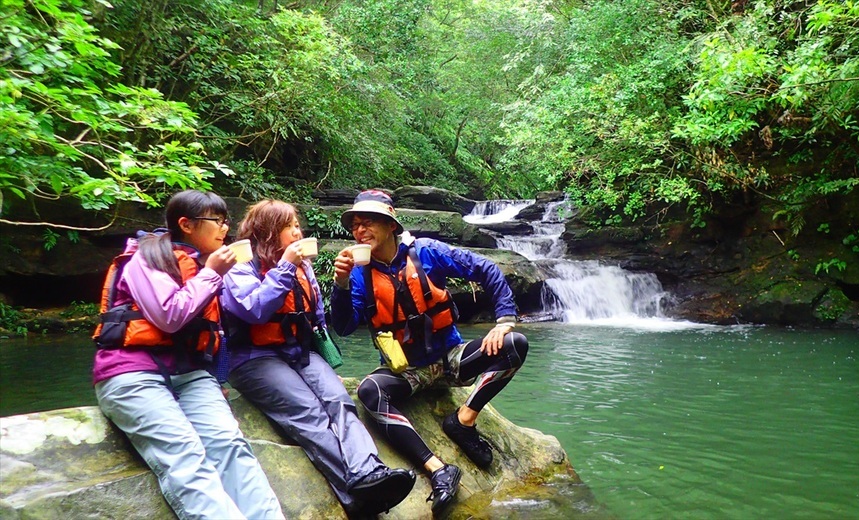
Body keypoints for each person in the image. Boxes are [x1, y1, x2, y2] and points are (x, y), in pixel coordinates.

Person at [328, 190, 530, 513]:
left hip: (450, 358)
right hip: (406, 370)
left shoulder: (426, 252)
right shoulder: (359, 273)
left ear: (390, 224)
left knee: (515, 346)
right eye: (355, 226)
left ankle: (463, 421)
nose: (359, 231)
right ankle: (439, 469)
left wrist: (504, 321)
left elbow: (486, 269)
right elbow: (344, 326)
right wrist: (340, 285)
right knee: (369, 392)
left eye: (367, 223)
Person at [92, 190, 284, 520]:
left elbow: (217, 333)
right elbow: (169, 315)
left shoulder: (201, 265)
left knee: (230, 446)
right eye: (218, 222)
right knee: (186, 455)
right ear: (186, 224)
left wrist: (218, 377)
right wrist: (212, 273)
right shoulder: (148, 257)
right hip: (133, 372)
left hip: (192, 374)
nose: (226, 229)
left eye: (227, 222)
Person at [220, 200, 415, 517]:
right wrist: (284, 265)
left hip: (299, 351)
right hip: (254, 357)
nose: (298, 232)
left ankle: (369, 473)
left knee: (340, 401)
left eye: (298, 225)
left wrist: (326, 365)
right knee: (308, 413)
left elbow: (316, 318)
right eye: (290, 227)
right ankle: (356, 491)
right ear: (268, 232)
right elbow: (254, 310)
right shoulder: (241, 266)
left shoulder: (302, 266)